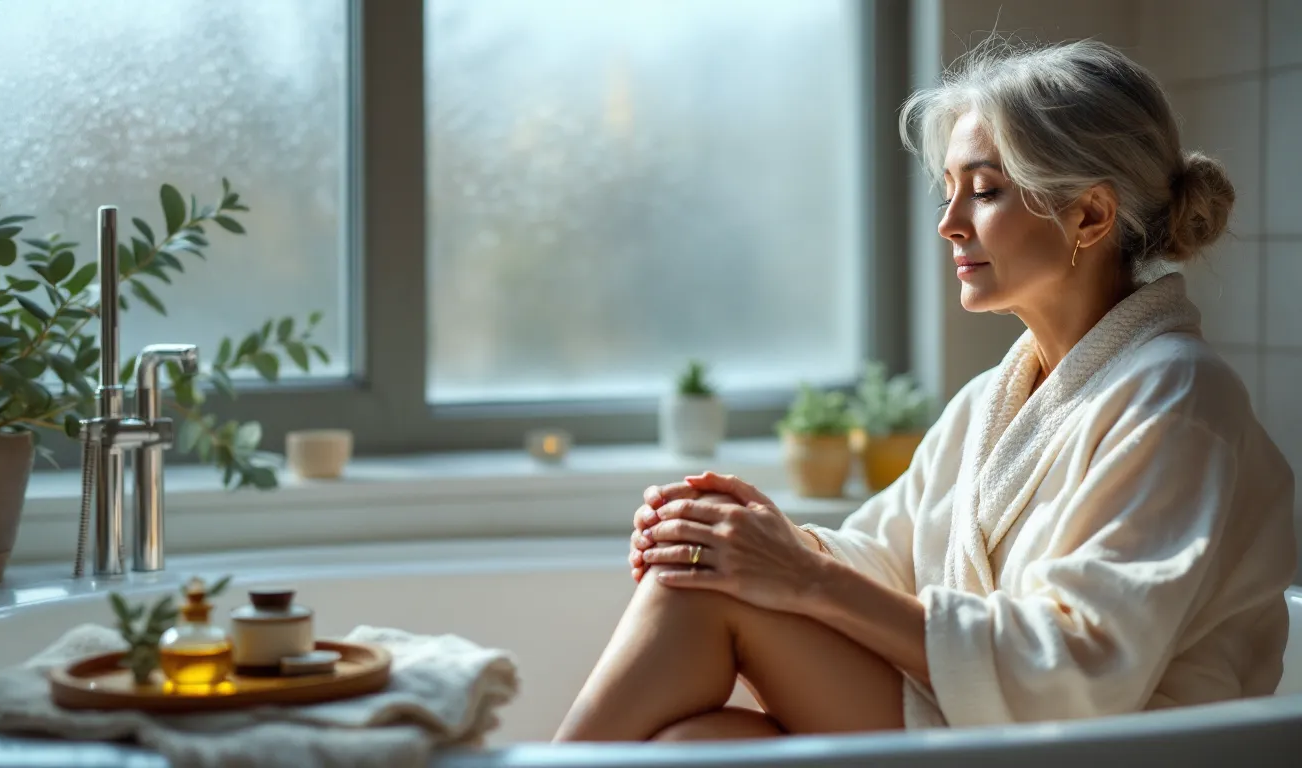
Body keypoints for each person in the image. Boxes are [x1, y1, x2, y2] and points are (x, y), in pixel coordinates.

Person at [553, 37, 1298, 742]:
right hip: (988, 723)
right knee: (695, 735)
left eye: (984, 191)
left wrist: (798, 575)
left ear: (1091, 214)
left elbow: (1078, 675)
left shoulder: (1180, 399)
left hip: (1087, 748)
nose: (948, 224)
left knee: (704, 593)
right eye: (948, 190)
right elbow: (888, 556)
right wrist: (754, 536)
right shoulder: (992, 401)